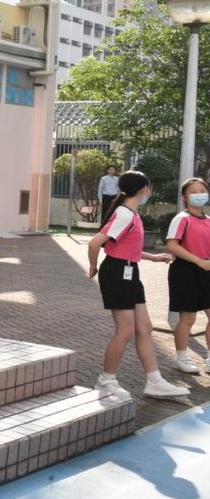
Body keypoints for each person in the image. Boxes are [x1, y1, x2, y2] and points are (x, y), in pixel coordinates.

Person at [86, 171, 189, 399]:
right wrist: (92, 267)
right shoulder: (124, 214)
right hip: (117, 273)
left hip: (129, 271)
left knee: (145, 328)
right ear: (144, 189)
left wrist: (154, 257)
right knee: (125, 331)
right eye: (148, 187)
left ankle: (155, 382)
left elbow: (126, 249)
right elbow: (94, 244)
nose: (149, 191)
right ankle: (106, 381)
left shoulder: (130, 213)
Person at [164, 177, 210, 373]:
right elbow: (172, 245)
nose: (199, 194)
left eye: (203, 191)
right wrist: (199, 261)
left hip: (206, 271)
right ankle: (181, 357)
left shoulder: (208, 220)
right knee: (188, 318)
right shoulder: (182, 218)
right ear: (184, 197)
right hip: (185, 271)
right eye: (194, 192)